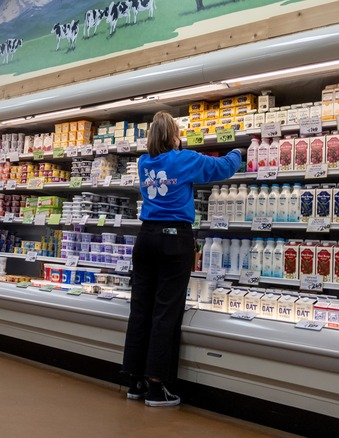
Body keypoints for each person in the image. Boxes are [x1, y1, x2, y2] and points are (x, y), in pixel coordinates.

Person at [122, 111, 243, 407]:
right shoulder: (183, 158)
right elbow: (222, 168)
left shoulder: (143, 162)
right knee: (166, 310)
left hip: (146, 237)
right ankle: (157, 386)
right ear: (174, 136)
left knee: (141, 307)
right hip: (174, 239)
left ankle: (135, 381)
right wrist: (239, 150)